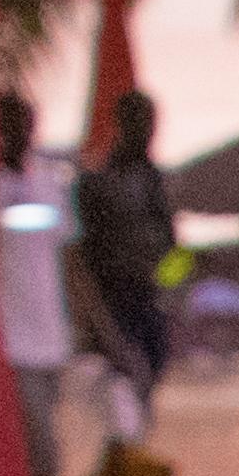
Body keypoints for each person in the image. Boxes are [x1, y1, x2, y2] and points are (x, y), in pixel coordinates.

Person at [0, 91, 84, 476]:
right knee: (38, 448)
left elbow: (67, 257)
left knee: (41, 434)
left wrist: (77, 324)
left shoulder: (48, 182)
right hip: (9, 339)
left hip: (51, 336)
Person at [76, 88, 175, 413]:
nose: (147, 130)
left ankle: (129, 454)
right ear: (123, 124)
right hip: (116, 301)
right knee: (129, 383)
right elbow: (85, 255)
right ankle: (124, 454)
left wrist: (173, 288)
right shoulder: (99, 183)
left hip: (150, 298)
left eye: (150, 122)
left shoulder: (153, 179)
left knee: (146, 380)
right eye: (140, 122)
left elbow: (169, 243)